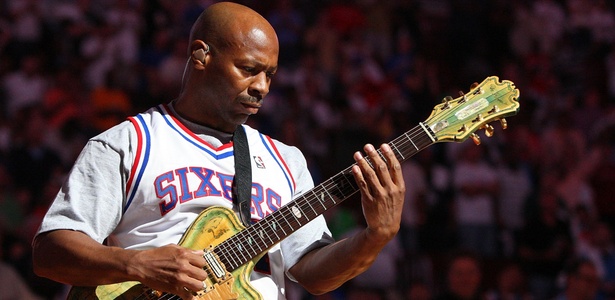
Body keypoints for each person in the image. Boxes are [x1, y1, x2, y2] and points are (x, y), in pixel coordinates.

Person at [31, 2, 405, 300]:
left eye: (270, 74)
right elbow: (50, 253)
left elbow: (312, 274)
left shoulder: (286, 160)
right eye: (249, 69)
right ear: (201, 55)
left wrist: (375, 237)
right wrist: (137, 264)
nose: (262, 87)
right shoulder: (129, 142)